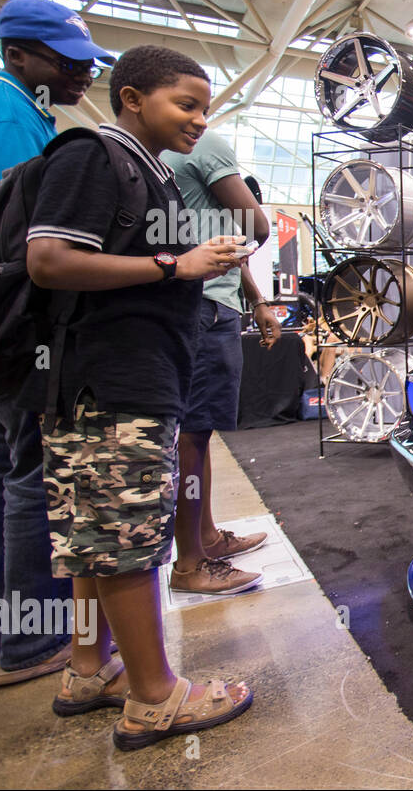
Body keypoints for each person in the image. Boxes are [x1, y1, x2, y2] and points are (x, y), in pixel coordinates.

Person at [23, 44, 252, 747]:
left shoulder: (144, 170)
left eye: (205, 107)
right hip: (111, 381)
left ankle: (90, 668)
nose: (198, 120)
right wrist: (174, 264)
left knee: (94, 544)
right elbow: (48, 258)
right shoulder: (95, 155)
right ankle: (156, 696)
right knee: (126, 543)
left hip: (110, 379)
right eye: (186, 104)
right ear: (131, 97)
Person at [0, 0, 115, 686]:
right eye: (67, 64)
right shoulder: (9, 112)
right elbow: (24, 242)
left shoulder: (25, 109)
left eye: (87, 64)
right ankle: (32, 640)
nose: (81, 77)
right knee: (34, 476)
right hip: (19, 330)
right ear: (18, 55)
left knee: (6, 469)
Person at [163, 129, 281, 594]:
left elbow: (225, 243)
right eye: (189, 105)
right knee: (190, 436)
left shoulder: (169, 156)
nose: (198, 119)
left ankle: (206, 538)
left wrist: (255, 298)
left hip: (210, 301)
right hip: (204, 306)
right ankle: (190, 564)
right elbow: (257, 228)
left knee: (198, 432)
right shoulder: (205, 146)